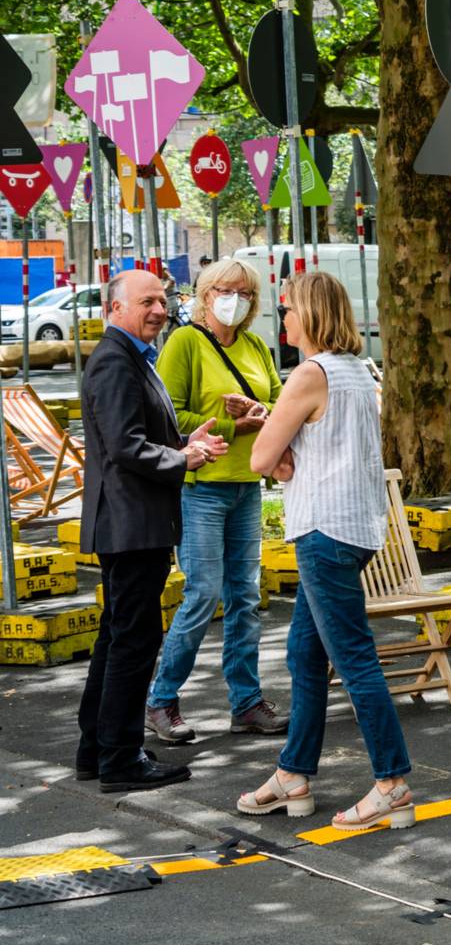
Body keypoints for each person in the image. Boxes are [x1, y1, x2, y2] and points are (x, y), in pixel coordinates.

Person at [242, 272, 414, 830]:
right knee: (305, 654)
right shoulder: (358, 371)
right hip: (358, 527)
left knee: (354, 660)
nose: (283, 319)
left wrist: (271, 435)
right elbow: (318, 446)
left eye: (288, 309)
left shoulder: (309, 373)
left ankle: (392, 782)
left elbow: (262, 460)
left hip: (322, 529)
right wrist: (282, 440)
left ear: (312, 315)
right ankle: (293, 773)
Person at [74, 270, 227, 792]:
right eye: (147, 302)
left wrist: (184, 441)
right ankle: (120, 759)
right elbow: (124, 446)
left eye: (163, 300)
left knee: (118, 636)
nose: (160, 310)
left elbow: (135, 437)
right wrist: (182, 457)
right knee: (133, 642)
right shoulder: (116, 360)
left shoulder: (130, 356)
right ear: (114, 308)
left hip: (132, 522)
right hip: (132, 525)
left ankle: (98, 751)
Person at [146, 260, 286, 743]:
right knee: (203, 593)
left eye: (244, 292)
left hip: (246, 484)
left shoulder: (254, 345)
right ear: (205, 295)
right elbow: (167, 417)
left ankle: (246, 702)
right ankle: (161, 700)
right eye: (225, 290)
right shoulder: (185, 342)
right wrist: (231, 425)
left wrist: (259, 410)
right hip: (200, 486)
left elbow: (280, 401)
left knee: (245, 598)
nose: (234, 299)